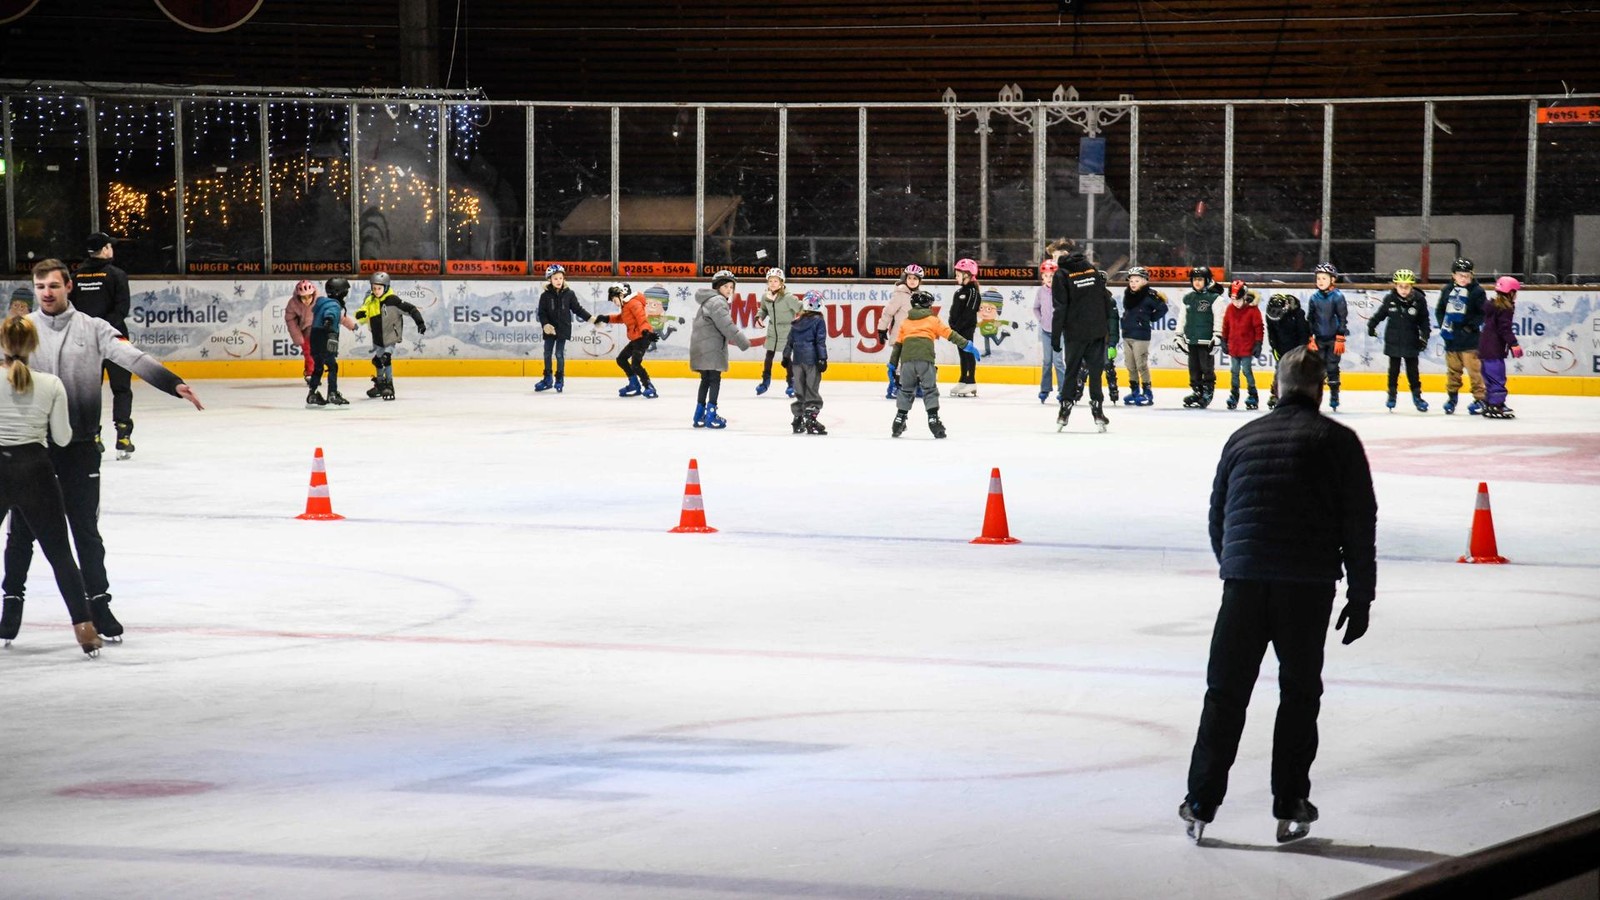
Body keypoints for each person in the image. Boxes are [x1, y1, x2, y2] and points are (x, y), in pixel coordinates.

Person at [1180, 344, 1377, 845]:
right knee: (1299, 692)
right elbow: (1359, 522)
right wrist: (1361, 593)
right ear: (1320, 389)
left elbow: (1218, 514)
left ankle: (1201, 800)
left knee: (1225, 692)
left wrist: (1236, 563)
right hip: (1306, 586)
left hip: (1244, 582)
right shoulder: (1338, 440)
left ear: (1276, 386)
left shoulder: (1243, 435)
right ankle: (1290, 799)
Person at [4, 259, 205, 643]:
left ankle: (99, 603)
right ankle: (12, 600)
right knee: (22, 533)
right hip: (33, 449)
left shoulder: (94, 329)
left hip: (79, 448)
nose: (46, 292)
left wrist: (172, 383)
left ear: (69, 287)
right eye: (40, 286)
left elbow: (133, 358)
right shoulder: (23, 330)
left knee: (85, 531)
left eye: (53, 286)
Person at [0, 315, 103, 657]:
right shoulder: (51, 384)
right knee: (60, 554)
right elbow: (61, 437)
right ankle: (86, 630)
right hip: (36, 471)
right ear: (34, 346)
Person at [70, 232, 135, 457]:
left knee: (89, 391)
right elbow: (122, 309)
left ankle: (92, 434)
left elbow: (72, 311)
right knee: (122, 388)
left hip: (86, 340)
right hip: (115, 339)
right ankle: (124, 435)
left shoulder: (75, 277)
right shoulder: (117, 275)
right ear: (105, 249)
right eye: (111, 246)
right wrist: (104, 328)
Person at [890, 289, 980, 439]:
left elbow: (898, 345)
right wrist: (967, 345)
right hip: (925, 361)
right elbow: (950, 334)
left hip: (906, 362)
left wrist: (892, 364)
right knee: (929, 390)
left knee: (906, 390)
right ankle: (933, 420)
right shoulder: (933, 320)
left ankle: (899, 421)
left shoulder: (905, 322)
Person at [1051, 242, 1111, 431]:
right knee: (1095, 373)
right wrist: (1106, 328)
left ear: (1063, 255)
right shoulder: (1091, 270)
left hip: (1075, 332)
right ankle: (1098, 410)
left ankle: (1065, 409)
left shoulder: (1061, 274)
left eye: (1054, 256)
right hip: (1097, 330)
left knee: (1072, 372)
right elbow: (1105, 298)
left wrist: (1055, 335)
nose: (1053, 260)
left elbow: (1060, 308)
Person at [689, 270, 751, 428]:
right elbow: (726, 325)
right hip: (712, 348)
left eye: (731, 287)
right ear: (717, 287)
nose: (729, 290)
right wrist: (742, 341)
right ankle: (711, 415)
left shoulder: (708, 300)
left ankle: (698, 414)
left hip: (702, 346)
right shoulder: (718, 301)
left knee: (705, 380)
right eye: (726, 286)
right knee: (715, 380)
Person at [353, 271, 426, 401]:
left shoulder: (393, 301)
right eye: (374, 288)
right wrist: (359, 315)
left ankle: (389, 385)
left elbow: (412, 309)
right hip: (378, 338)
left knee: (386, 358)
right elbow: (364, 312)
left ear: (386, 287)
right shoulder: (370, 300)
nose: (376, 291)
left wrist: (420, 323)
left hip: (391, 336)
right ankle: (380, 384)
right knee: (378, 360)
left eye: (379, 288)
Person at [1367, 269, 1431, 413]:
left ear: (1412, 286)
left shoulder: (1419, 300)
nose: (1403, 290)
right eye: (1400, 286)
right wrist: (1371, 325)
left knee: (1412, 370)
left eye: (1406, 286)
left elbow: (1424, 321)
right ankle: (1392, 395)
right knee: (1393, 370)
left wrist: (1424, 337)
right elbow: (1380, 314)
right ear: (1395, 285)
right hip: (1393, 340)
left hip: (1411, 340)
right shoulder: (1390, 299)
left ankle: (1417, 396)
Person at [1435, 257, 1488, 415]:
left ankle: (1480, 398)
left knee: (1474, 372)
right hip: (1452, 339)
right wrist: (1444, 325)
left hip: (1470, 341)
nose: (1464, 278)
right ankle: (1452, 398)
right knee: (1453, 371)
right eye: (1460, 275)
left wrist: (1470, 326)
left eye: (1467, 275)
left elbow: (1482, 313)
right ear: (1453, 275)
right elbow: (1439, 310)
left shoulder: (1477, 292)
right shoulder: (1447, 290)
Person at [534, 264, 592, 394]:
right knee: (547, 353)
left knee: (559, 354)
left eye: (561, 278)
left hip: (563, 329)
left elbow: (577, 309)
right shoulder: (545, 296)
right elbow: (542, 313)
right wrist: (545, 325)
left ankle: (559, 379)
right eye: (555, 278)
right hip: (549, 329)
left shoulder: (569, 294)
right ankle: (547, 379)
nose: (559, 281)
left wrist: (590, 318)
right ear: (549, 280)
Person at [595, 282, 656, 398]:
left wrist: (645, 331)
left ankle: (649, 386)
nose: (614, 303)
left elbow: (641, 318)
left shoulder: (633, 304)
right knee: (621, 359)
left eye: (614, 300)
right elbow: (621, 318)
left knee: (635, 364)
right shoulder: (626, 306)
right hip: (636, 338)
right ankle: (634, 384)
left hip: (643, 337)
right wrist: (606, 318)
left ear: (621, 295)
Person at [1118, 266, 1168, 407]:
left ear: (1145, 281)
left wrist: (1150, 318)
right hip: (1127, 333)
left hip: (1141, 335)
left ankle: (1147, 392)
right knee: (1130, 365)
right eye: (1131, 280)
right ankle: (1135, 391)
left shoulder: (1150, 295)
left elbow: (1163, 308)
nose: (1133, 283)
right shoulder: (1128, 294)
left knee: (1141, 364)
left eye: (1137, 280)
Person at [782, 290, 829, 435]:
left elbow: (790, 341)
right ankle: (811, 419)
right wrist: (822, 358)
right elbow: (820, 342)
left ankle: (797, 419)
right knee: (812, 390)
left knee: (800, 390)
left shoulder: (797, 322)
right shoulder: (819, 321)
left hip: (797, 362)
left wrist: (785, 357)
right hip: (812, 361)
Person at [307, 277, 358, 407]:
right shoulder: (334, 306)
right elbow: (331, 315)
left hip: (314, 337)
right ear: (339, 292)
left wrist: (352, 326)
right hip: (326, 337)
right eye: (345, 292)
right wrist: (329, 327)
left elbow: (342, 318)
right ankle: (332, 394)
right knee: (332, 366)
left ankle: (312, 393)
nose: (346, 295)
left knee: (318, 367)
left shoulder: (322, 304)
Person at [1305, 263, 1350, 410]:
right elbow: (1310, 318)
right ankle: (1315, 396)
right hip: (1319, 339)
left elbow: (1342, 317)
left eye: (1324, 278)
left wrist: (1340, 337)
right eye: (1318, 278)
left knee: (1332, 366)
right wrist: (1310, 337)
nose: (1320, 281)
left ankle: (1334, 394)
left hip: (1333, 339)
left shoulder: (1337, 297)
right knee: (1317, 369)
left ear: (1332, 280)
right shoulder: (1314, 298)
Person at [1176, 266, 1223, 408]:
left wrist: (1217, 336)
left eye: (1200, 279)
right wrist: (1178, 335)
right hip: (1192, 339)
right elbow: (1182, 318)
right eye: (1194, 279)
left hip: (1206, 340)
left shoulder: (1214, 299)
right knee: (1193, 367)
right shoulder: (1188, 298)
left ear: (1207, 280)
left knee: (1206, 367)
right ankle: (1197, 390)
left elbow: (1219, 319)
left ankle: (1208, 391)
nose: (1197, 282)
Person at [1478, 276, 1524, 419]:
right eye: (1515, 292)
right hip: (1494, 349)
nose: (1516, 295)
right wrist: (1514, 344)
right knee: (1497, 377)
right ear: (1510, 292)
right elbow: (1505, 329)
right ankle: (1496, 404)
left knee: (1489, 377)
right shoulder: (1505, 308)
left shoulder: (1490, 305)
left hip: (1484, 348)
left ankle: (1489, 402)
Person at [878, 264, 923, 400]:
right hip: (900, 335)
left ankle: (915, 385)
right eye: (910, 278)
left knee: (916, 361)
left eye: (915, 278)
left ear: (919, 281)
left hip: (916, 336)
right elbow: (888, 312)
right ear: (905, 278)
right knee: (898, 363)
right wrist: (882, 329)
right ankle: (894, 386)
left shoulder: (920, 296)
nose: (912, 281)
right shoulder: (900, 294)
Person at [756, 267, 802, 397]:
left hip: (787, 331)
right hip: (772, 331)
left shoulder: (788, 297)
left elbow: (801, 308)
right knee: (768, 356)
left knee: (786, 358)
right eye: (770, 281)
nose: (772, 283)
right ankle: (765, 381)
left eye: (775, 281)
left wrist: (801, 318)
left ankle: (791, 383)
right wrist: (759, 317)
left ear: (782, 282)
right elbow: (763, 310)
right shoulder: (766, 297)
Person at [1220, 280, 1264, 411]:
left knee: (1246, 370)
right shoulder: (1230, 308)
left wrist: (1258, 343)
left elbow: (1259, 328)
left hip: (1246, 348)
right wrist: (1224, 340)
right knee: (1234, 371)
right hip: (1234, 347)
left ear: (1245, 297)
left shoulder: (1252, 310)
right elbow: (1226, 325)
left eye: (1238, 300)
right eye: (1233, 300)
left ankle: (1252, 394)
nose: (1236, 303)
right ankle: (1234, 394)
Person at [1263, 293, 1310, 409]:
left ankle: (1301, 396)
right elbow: (1271, 333)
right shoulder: (1270, 316)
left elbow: (1303, 333)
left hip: (1296, 347)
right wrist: (1274, 347)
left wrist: (1301, 349)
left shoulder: (1298, 314)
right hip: (1281, 348)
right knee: (1279, 371)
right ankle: (1276, 394)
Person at [947, 258, 982, 397]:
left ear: (967, 274)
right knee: (962, 354)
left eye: (958, 274)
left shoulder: (973, 293)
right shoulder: (959, 292)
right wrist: (952, 324)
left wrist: (959, 326)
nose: (956, 277)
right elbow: (953, 310)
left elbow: (969, 313)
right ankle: (963, 379)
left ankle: (971, 381)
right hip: (957, 329)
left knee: (968, 352)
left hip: (966, 328)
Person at [1033, 258, 1066, 403]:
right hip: (1046, 331)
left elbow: (1066, 309)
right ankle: (1045, 389)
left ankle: (1063, 389)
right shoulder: (1041, 291)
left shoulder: (1062, 290)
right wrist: (1041, 320)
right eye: (1045, 275)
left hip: (1059, 332)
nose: (1048, 278)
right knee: (1047, 361)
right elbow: (1035, 308)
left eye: (1051, 276)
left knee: (1058, 361)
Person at [284, 279, 318, 398]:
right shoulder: (293, 304)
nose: (307, 300)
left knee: (317, 352)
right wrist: (297, 336)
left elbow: (334, 313)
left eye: (309, 297)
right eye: (303, 298)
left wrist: (349, 324)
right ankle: (310, 372)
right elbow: (290, 320)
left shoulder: (319, 301)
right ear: (298, 297)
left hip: (317, 327)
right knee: (308, 351)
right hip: (303, 329)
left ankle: (315, 371)